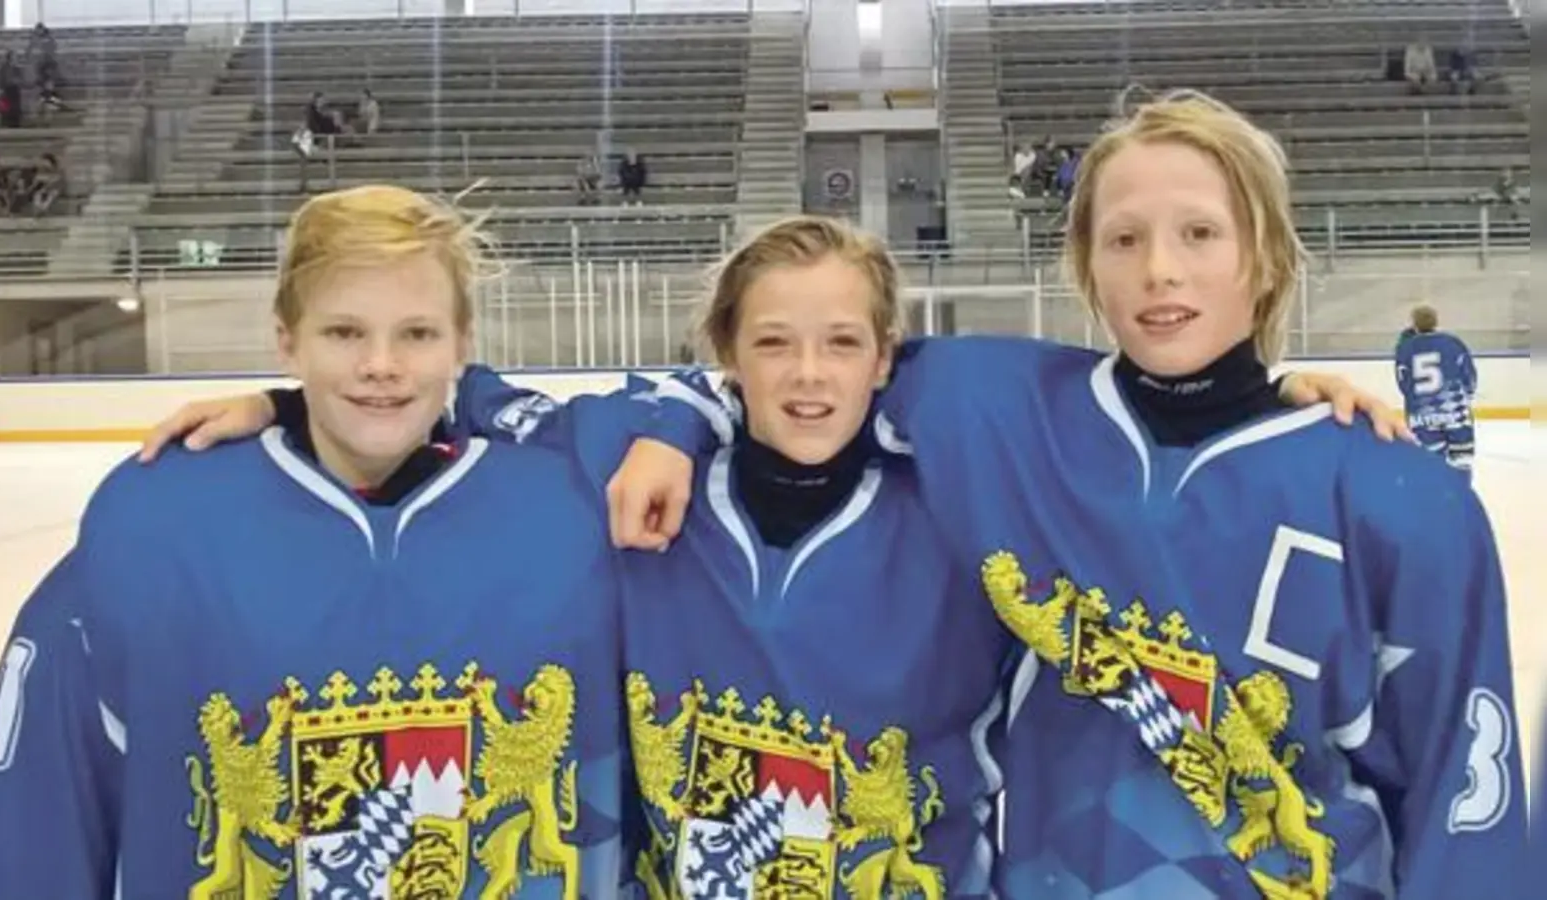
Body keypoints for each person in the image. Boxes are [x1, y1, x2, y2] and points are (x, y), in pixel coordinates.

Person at [142, 214, 1399, 898]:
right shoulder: (633, 479)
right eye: (775, 344)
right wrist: (278, 401)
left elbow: (1128, 437)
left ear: (887, 358)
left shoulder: (961, 504)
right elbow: (443, 388)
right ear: (723, 359)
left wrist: (1268, 400)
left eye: (843, 343)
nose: (808, 375)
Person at [610, 91, 1524, 899]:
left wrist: (1282, 396)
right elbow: (800, 373)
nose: (1160, 269)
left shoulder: (1403, 501)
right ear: (1086, 264)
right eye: (1124, 238)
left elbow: (1463, 797)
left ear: (1269, 255)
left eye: (1199, 233)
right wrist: (672, 427)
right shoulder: (992, 411)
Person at [0, 185, 626, 898]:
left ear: (463, 343)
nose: (380, 364)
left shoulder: (568, 510)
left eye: (417, 333)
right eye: (343, 333)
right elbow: (31, 816)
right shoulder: (157, 525)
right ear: (285, 340)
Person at [1396, 304, 1478, 480]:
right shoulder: (1453, 343)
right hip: (1455, 413)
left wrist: (1416, 403)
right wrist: (1468, 395)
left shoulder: (1405, 348)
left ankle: (1436, 504)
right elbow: (1469, 374)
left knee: (1430, 465)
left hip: (1421, 415)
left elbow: (1403, 383)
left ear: (1414, 324)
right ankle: (1460, 499)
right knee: (1462, 461)